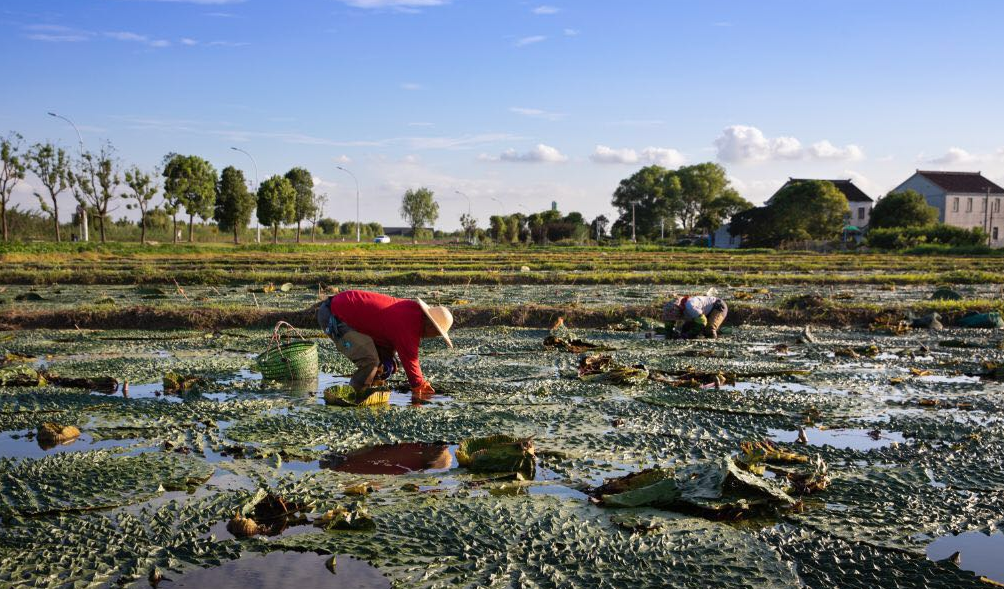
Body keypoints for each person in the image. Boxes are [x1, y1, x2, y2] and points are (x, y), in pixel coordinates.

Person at [316, 289, 453, 395]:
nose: (431, 337)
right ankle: (355, 398)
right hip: (332, 315)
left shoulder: (411, 311)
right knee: (370, 361)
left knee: (384, 364)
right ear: (430, 326)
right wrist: (420, 389)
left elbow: (387, 339)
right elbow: (412, 365)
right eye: (436, 334)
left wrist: (386, 361)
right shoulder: (410, 325)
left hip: (342, 309)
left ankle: (369, 388)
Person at [662, 295, 728, 339]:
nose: (672, 318)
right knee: (685, 329)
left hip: (717, 306)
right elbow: (669, 323)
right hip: (701, 313)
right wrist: (669, 333)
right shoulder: (671, 309)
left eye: (673, 316)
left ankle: (713, 350)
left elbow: (702, 322)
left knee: (709, 329)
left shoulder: (690, 307)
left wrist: (690, 334)